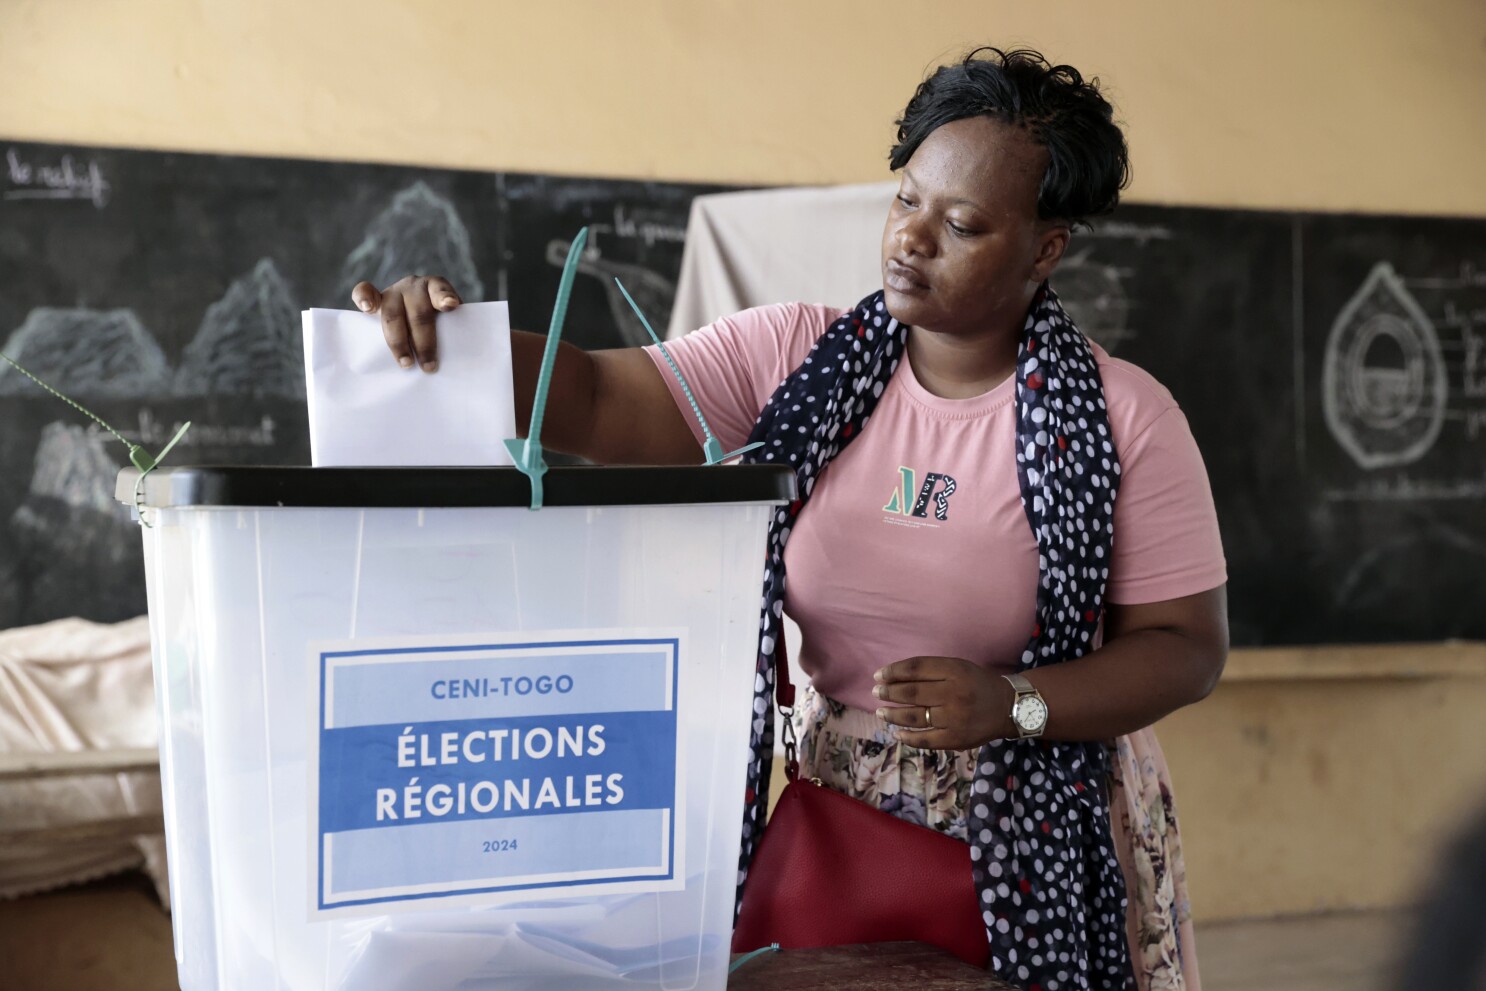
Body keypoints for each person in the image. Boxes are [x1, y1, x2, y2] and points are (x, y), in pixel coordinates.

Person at [352, 47, 1228, 991]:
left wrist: (1013, 702)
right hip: (836, 815)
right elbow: (602, 400)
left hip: (1043, 828)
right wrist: (456, 343)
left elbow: (1185, 646)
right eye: (906, 199)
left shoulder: (1125, 418)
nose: (911, 239)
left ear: (1045, 248)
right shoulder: (796, 358)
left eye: (962, 223)